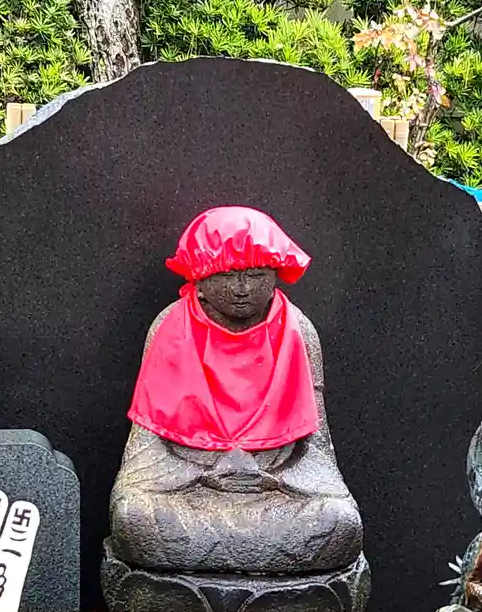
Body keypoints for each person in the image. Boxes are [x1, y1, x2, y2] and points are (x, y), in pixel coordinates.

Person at [107, 206, 364, 576]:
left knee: (339, 521)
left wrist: (269, 475)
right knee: (134, 518)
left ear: (275, 276)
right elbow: (144, 452)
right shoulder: (171, 328)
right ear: (200, 279)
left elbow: (317, 451)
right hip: (192, 487)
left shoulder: (298, 333)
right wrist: (206, 471)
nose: (242, 289)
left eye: (256, 276)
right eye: (227, 275)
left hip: (273, 490)